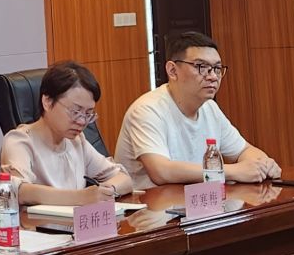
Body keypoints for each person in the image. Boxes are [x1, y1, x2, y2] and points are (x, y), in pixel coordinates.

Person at [115, 30, 282, 188]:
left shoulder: (210, 108)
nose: (213, 76)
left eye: (217, 68)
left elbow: (244, 150)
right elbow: (161, 171)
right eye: (201, 66)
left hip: (195, 202)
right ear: (172, 71)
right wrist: (232, 171)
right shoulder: (147, 110)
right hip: (154, 206)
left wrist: (264, 164)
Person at [0, 59, 133, 206]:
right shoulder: (19, 141)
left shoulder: (76, 141)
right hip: (36, 221)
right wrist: (81, 197)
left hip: (76, 220)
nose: (82, 121)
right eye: (75, 111)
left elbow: (123, 178)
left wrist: (106, 191)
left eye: (88, 114)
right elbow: (20, 191)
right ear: (47, 101)